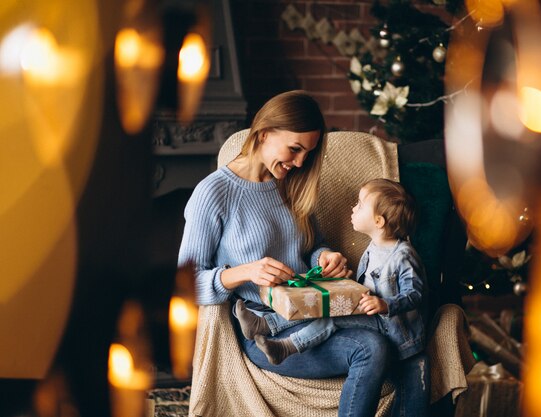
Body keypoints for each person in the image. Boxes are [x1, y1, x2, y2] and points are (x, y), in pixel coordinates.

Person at [177, 90, 392, 417]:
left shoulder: (291, 182)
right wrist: (246, 272)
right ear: (264, 134)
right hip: (265, 329)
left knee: (404, 339)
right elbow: (184, 285)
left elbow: (312, 243)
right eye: (295, 149)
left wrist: (325, 257)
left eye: (308, 152)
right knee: (372, 348)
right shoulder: (214, 193)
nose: (301, 162)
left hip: (313, 310)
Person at [237, 179, 429, 416]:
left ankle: (283, 342)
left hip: (398, 334)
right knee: (327, 310)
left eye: (359, 205)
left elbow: (416, 294)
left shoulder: (403, 255)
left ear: (378, 221)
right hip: (374, 319)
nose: (353, 208)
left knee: (412, 406)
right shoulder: (374, 247)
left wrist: (385, 304)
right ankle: (268, 328)